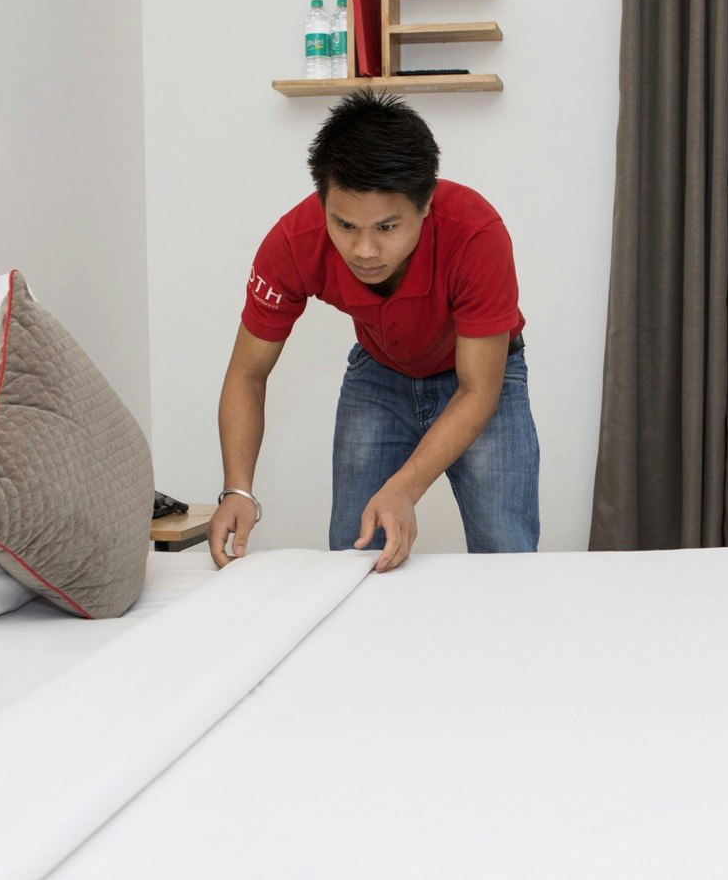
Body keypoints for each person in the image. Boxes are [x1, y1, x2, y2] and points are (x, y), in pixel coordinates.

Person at [208, 90, 538, 573]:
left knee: (505, 550)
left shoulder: (475, 234)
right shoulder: (293, 243)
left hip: (482, 377)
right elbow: (246, 373)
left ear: (426, 203)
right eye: (344, 225)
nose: (363, 249)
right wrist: (237, 489)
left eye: (387, 227)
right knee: (354, 552)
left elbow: (477, 389)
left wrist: (405, 487)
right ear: (322, 203)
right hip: (380, 374)